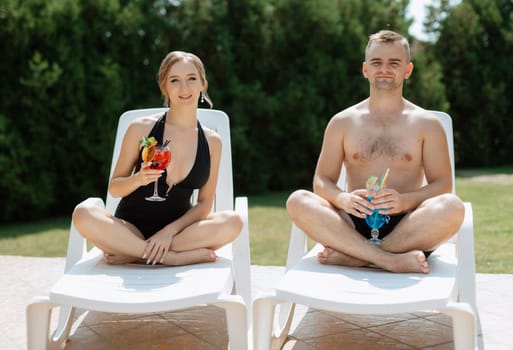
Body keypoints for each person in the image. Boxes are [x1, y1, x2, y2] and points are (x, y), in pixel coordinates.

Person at [286, 30, 465, 274]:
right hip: (351, 223)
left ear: (408, 70)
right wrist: (343, 199)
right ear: (365, 69)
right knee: (298, 200)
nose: (385, 69)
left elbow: (442, 184)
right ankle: (390, 260)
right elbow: (321, 181)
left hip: (408, 225)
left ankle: (357, 257)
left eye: (394, 63)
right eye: (376, 62)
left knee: (453, 207)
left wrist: (405, 201)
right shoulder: (342, 122)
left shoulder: (427, 124)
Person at [72, 51, 243, 266]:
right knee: (83, 213)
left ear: (202, 84)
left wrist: (168, 232)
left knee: (233, 222)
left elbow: (205, 203)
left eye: (191, 79)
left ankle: (135, 254)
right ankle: (169, 258)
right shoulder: (141, 129)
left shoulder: (212, 141)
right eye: (175, 80)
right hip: (129, 229)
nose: (184, 88)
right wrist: (138, 179)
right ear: (165, 87)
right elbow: (115, 188)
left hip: (178, 235)